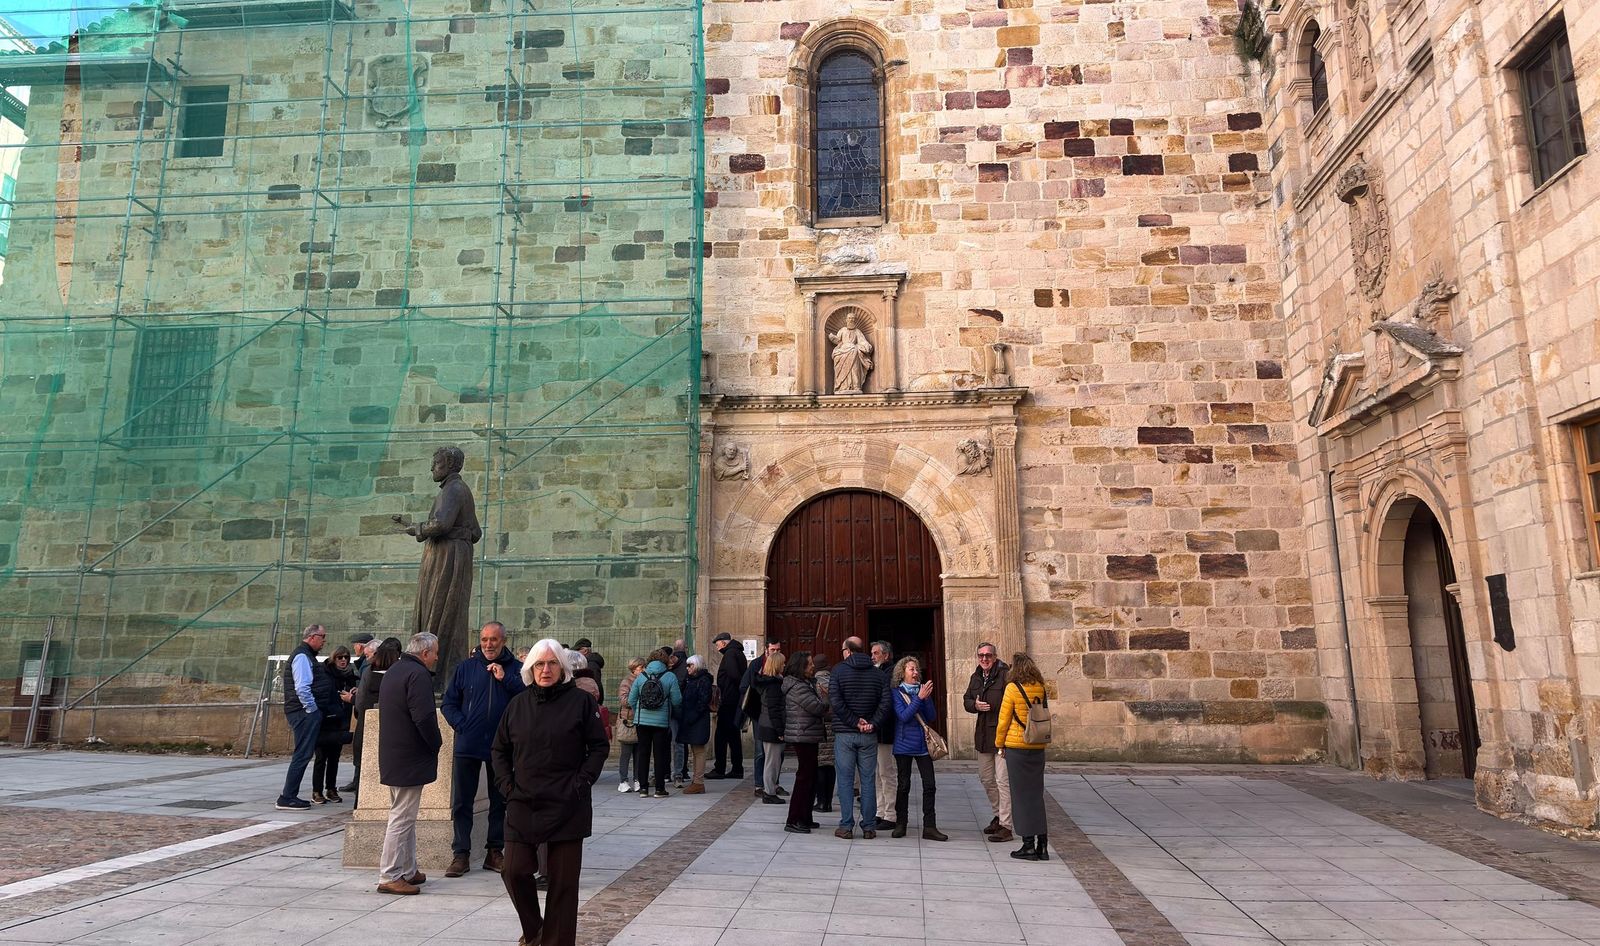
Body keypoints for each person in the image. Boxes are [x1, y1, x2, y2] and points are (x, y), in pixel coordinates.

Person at [492, 639, 608, 946]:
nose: (546, 669)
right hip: (523, 801)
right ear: (530, 668)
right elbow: (499, 749)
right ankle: (537, 933)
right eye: (539, 664)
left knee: (563, 883)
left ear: (563, 667)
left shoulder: (581, 702)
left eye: (552, 663)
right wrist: (506, 785)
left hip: (568, 802)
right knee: (514, 871)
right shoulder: (517, 704)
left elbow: (598, 747)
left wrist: (581, 782)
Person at [442, 621, 526, 878]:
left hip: (502, 747)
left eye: (494, 640)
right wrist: (461, 724)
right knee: (461, 802)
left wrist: (506, 679)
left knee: (499, 800)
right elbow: (449, 703)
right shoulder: (465, 668)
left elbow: (527, 699)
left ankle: (494, 852)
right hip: (468, 743)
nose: (488, 644)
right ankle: (461, 854)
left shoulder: (518, 669)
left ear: (504, 641)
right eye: (484, 639)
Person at [376, 632, 443, 895]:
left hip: (395, 754)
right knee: (402, 817)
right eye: (435, 652)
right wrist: (436, 743)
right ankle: (390, 874)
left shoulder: (396, 670)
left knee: (406, 815)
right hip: (409, 755)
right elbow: (424, 716)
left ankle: (408, 868)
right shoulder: (418, 675)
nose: (437, 656)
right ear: (425, 653)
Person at [829, 636, 890, 839]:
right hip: (869, 735)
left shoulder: (838, 671)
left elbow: (836, 702)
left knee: (845, 781)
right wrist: (872, 723)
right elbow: (885, 703)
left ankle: (846, 826)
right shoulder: (878, 674)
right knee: (868, 780)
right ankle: (869, 826)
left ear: (848, 650)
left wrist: (854, 721)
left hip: (845, 733)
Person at [996, 651, 1050, 861]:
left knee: (1020, 797)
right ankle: (1042, 845)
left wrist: (999, 744)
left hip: (1017, 746)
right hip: (1037, 745)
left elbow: (1003, 720)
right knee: (1036, 795)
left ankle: (1028, 845)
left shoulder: (1012, 688)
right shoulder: (1040, 686)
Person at [890, 656, 947, 842]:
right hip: (904, 745)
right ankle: (901, 823)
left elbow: (930, 716)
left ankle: (929, 826)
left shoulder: (922, 692)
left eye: (916, 669)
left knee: (930, 785)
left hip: (923, 745)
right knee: (904, 785)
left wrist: (927, 699)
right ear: (902, 673)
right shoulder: (897, 693)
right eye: (911, 669)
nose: (915, 672)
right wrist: (918, 698)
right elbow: (903, 716)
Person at [276, 624, 330, 811]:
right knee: (302, 754)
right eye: (322, 637)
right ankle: (288, 796)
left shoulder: (306, 655)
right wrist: (312, 709)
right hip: (303, 712)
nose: (324, 641)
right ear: (313, 637)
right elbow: (302, 688)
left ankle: (289, 795)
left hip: (303, 711)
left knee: (304, 753)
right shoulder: (302, 656)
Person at [963, 643, 1013, 842]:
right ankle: (998, 815)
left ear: (995, 656)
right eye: (981, 656)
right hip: (983, 735)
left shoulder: (1005, 675)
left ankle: (1006, 825)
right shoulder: (976, 676)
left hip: (1001, 735)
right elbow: (966, 699)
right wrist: (974, 705)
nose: (984, 659)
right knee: (986, 778)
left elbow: (1012, 703)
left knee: (1003, 781)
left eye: (988, 655)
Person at [343, 636, 401, 799]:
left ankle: (361, 800)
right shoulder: (399, 674)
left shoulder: (369, 673)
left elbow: (361, 703)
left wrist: (354, 699)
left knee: (365, 769)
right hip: (390, 732)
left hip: (366, 726)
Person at [628, 647, 683, 797]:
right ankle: (660, 789)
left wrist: (640, 710)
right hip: (661, 722)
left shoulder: (641, 676)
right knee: (660, 755)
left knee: (643, 754)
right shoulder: (670, 676)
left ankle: (644, 789)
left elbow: (631, 699)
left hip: (642, 722)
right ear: (665, 660)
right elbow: (677, 700)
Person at [780, 651, 825, 833]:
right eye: (809, 664)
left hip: (807, 734)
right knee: (804, 778)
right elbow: (817, 707)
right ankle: (794, 819)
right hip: (803, 734)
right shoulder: (798, 687)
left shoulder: (804, 684)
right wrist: (826, 697)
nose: (813, 666)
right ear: (801, 666)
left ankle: (805, 816)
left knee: (810, 777)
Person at [312, 645, 358, 804]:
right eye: (340, 657)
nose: (344, 660)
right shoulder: (324, 673)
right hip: (325, 719)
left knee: (334, 757)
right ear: (334, 658)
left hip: (341, 720)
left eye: (346, 657)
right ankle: (316, 790)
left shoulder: (350, 675)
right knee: (321, 757)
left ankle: (330, 788)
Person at [743, 640, 786, 798]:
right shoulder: (756, 666)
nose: (775, 651)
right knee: (762, 753)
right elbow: (746, 688)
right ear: (766, 650)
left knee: (776, 755)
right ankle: (761, 785)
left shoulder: (779, 675)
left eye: (778, 649)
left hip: (768, 717)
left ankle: (774, 784)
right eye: (773, 649)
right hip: (763, 717)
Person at [707, 633, 747, 779]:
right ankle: (737, 768)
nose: (717, 649)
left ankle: (720, 769)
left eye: (717, 645)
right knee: (733, 735)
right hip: (734, 700)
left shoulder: (730, 654)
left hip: (729, 700)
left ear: (723, 643)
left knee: (721, 735)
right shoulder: (737, 652)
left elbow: (734, 675)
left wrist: (731, 692)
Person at [870, 640, 898, 831]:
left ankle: (891, 814)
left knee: (887, 773)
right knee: (877, 774)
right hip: (875, 732)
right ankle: (880, 811)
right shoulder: (876, 672)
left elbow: (885, 701)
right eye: (872, 653)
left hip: (886, 730)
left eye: (876, 653)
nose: (872, 657)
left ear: (886, 655)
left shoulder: (891, 673)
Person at [678, 655, 713, 794]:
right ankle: (696, 780)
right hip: (690, 720)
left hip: (698, 720)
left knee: (699, 751)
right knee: (694, 750)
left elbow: (703, 701)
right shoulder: (690, 680)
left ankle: (699, 782)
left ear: (697, 666)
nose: (687, 668)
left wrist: (692, 716)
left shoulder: (703, 680)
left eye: (690, 665)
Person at [615, 657, 644, 792]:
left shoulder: (643, 680)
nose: (643, 670)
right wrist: (639, 700)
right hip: (629, 721)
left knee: (639, 753)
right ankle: (623, 780)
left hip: (641, 720)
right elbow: (623, 700)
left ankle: (638, 779)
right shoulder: (627, 682)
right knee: (626, 753)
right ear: (634, 669)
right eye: (641, 667)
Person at [812, 654, 836, 813]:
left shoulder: (814, 684)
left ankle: (821, 802)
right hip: (834, 727)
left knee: (820, 765)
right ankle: (828, 801)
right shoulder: (835, 682)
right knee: (830, 765)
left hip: (820, 726)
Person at [667, 647, 689, 785]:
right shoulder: (669, 674)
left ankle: (676, 773)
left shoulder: (671, 673)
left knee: (674, 743)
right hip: (673, 712)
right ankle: (677, 775)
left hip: (669, 713)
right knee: (676, 744)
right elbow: (676, 698)